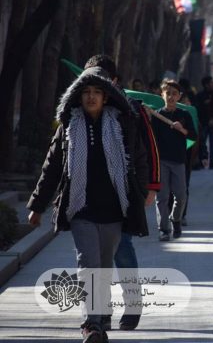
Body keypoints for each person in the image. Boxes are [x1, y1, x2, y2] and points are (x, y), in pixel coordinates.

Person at [27, 67, 150, 343]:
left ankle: (101, 315)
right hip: (81, 208)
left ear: (106, 97)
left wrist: (140, 193)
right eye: (86, 92)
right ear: (78, 97)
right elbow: (52, 167)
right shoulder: (69, 126)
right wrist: (38, 204)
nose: (91, 97)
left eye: (96, 92)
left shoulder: (122, 125)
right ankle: (91, 324)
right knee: (88, 264)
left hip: (114, 210)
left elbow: (140, 160)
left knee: (103, 267)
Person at [82, 55, 160, 332]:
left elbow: (149, 149)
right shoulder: (79, 108)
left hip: (123, 194)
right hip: (90, 195)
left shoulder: (133, 110)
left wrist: (151, 186)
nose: (93, 90)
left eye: (101, 80)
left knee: (122, 249)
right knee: (92, 257)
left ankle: (132, 302)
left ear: (114, 81)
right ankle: (99, 312)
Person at [152, 79, 196, 241]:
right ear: (162, 95)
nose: (170, 97)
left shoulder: (184, 115)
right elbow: (151, 140)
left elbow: (193, 136)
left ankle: (176, 219)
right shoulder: (157, 115)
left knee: (181, 195)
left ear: (179, 96)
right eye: (167, 93)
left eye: (174, 94)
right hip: (161, 161)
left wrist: (182, 129)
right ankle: (163, 229)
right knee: (162, 197)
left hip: (178, 160)